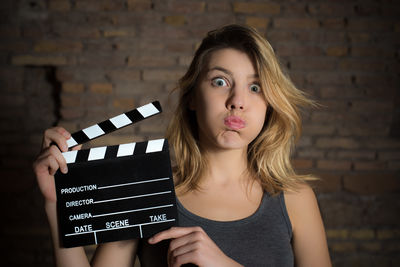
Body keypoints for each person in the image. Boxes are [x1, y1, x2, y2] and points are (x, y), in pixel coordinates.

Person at [33, 24, 331, 266]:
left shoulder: (295, 199)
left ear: (270, 105)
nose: (237, 102)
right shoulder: (146, 189)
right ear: (191, 96)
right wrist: (56, 204)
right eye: (220, 82)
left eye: (255, 88)